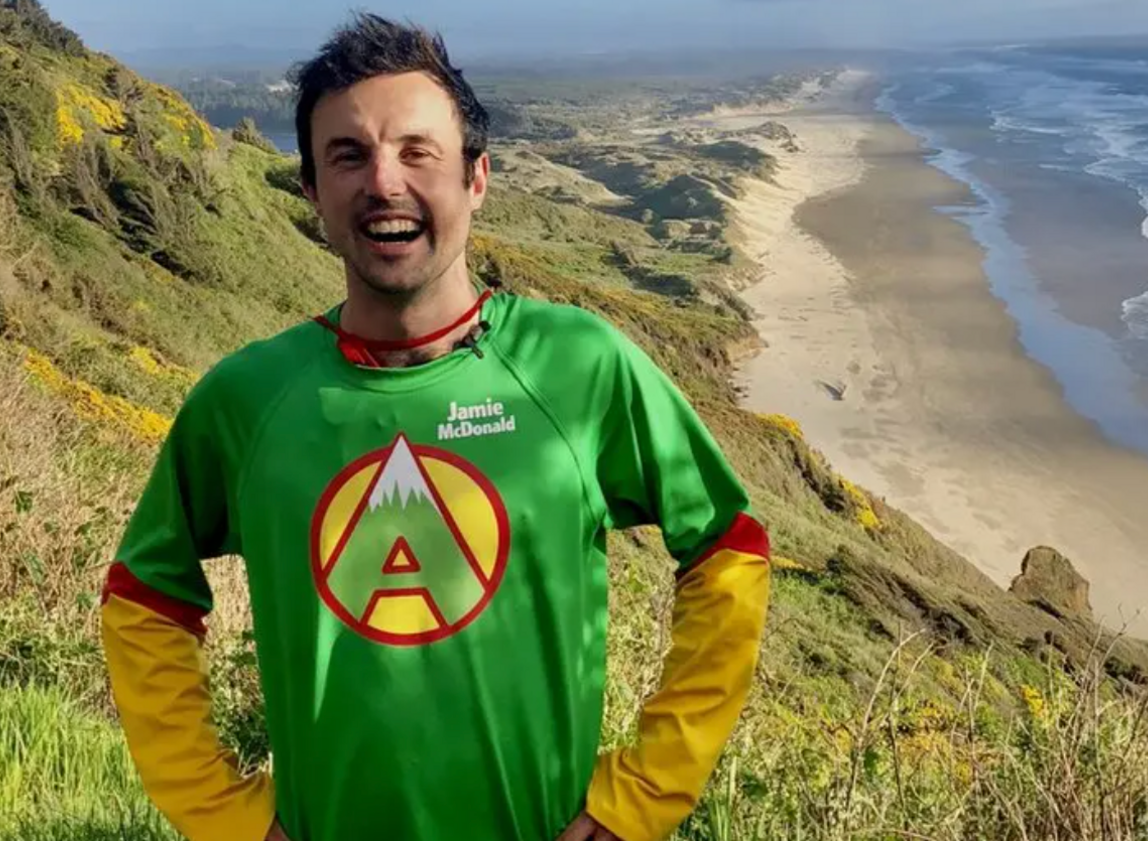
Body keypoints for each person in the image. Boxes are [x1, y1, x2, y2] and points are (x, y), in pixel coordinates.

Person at [97, 13, 772, 841]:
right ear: (311, 190)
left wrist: (647, 788)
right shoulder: (246, 400)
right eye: (348, 155)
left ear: (476, 177)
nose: (383, 182)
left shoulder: (580, 365)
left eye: (417, 151)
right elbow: (144, 595)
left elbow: (729, 546)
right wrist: (219, 811)